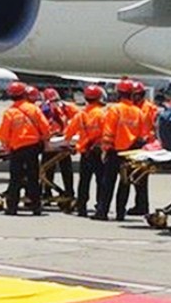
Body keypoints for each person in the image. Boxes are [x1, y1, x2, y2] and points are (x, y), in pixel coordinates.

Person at [0, 81, 50, 216]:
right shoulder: (34, 109)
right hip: (32, 148)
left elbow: (5, 133)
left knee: (15, 179)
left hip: (16, 148)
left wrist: (5, 146)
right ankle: (36, 207)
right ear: (24, 94)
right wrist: (46, 141)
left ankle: (12, 207)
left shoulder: (10, 112)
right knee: (33, 177)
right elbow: (45, 128)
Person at [95, 77, 146, 221]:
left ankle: (102, 212)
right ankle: (120, 213)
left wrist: (105, 148)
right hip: (130, 153)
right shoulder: (138, 112)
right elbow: (142, 135)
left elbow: (108, 131)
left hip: (115, 151)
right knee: (125, 184)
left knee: (108, 183)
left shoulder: (115, 109)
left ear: (119, 93)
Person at [64, 85, 107, 217]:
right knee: (101, 180)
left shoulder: (81, 114)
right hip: (98, 151)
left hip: (85, 151)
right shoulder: (102, 114)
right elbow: (107, 132)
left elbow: (68, 133)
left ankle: (81, 207)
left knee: (84, 181)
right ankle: (100, 205)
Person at [126, 80, 157, 216]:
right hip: (132, 142)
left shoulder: (149, 108)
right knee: (132, 176)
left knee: (141, 177)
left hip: (144, 144)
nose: (134, 97)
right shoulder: (130, 108)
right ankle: (140, 204)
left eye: (136, 95)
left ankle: (142, 205)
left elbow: (156, 126)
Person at [40, 86, 76, 200]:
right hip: (52, 143)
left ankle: (68, 192)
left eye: (57, 100)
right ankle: (48, 191)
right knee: (48, 170)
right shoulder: (44, 110)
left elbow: (78, 116)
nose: (56, 103)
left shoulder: (64, 108)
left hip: (61, 142)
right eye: (53, 101)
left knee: (66, 170)